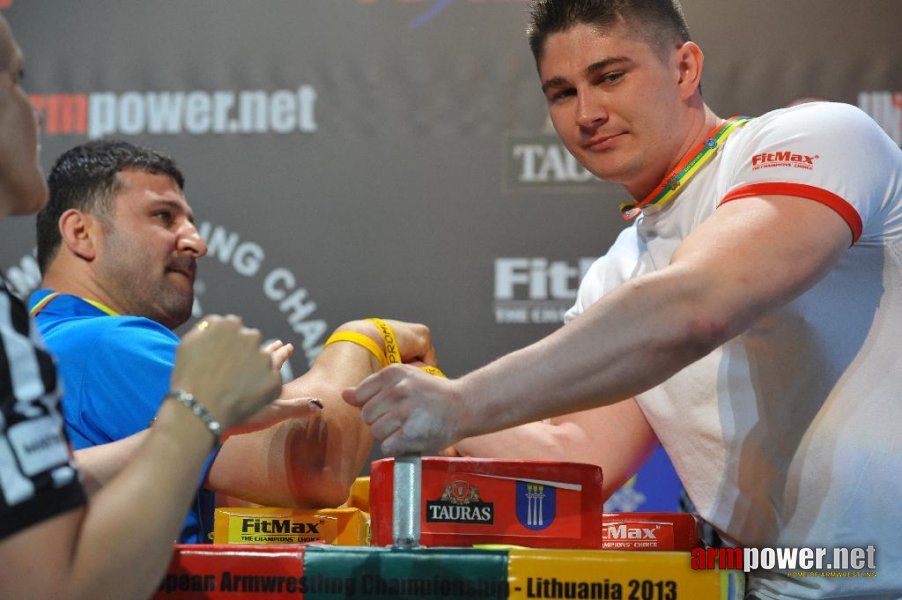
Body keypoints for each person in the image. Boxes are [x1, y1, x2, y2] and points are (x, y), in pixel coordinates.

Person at [344, 1, 902, 598]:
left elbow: (697, 304)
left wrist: (458, 403)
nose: (587, 113)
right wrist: (414, 382)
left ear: (685, 68)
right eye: (561, 93)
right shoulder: (618, 272)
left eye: (610, 76)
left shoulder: (819, 136)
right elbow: (581, 454)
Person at [0, 14, 283, 599]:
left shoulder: (22, 326)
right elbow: (50, 585)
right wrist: (368, 339)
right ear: (81, 233)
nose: (35, 109)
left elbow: (32, 499)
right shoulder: (97, 339)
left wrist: (194, 417)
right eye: (15, 80)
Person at [29, 138, 436, 543]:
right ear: (81, 232)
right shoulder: (103, 345)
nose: (197, 243)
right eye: (163, 216)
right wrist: (368, 338)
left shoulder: (41, 340)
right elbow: (314, 466)